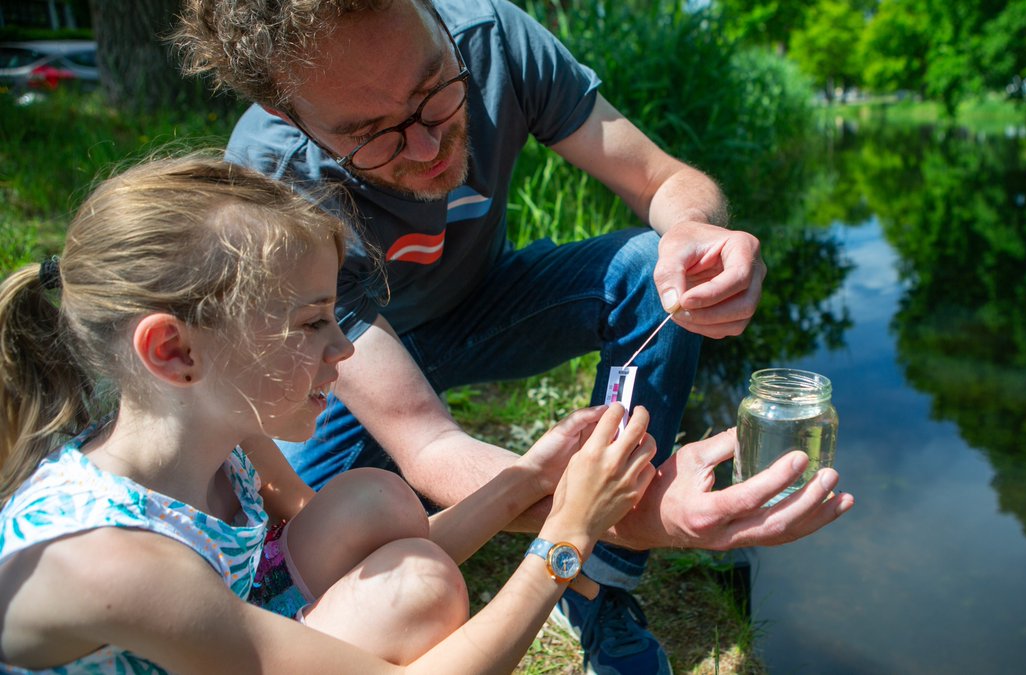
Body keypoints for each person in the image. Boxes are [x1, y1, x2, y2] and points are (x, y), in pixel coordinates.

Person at [175, 1, 855, 671]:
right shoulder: (270, 173)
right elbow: (426, 439)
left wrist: (696, 232)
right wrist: (632, 510)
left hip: (485, 309)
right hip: (350, 364)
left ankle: (600, 586)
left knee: (652, 269)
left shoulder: (493, 37)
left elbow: (663, 179)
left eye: (434, 88)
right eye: (372, 132)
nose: (426, 143)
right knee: (324, 541)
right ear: (290, 116)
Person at [0, 154, 671, 673]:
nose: (344, 347)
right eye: (313, 321)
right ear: (175, 350)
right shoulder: (110, 562)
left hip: (221, 639)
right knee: (424, 588)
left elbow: (399, 548)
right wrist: (564, 538)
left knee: (377, 504)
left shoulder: (215, 436)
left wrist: (525, 479)